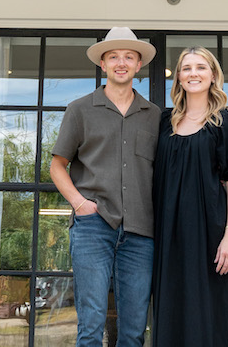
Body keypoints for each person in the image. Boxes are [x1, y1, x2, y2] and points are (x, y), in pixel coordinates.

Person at [50, 27, 160, 347]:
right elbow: (58, 165)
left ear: (139, 65)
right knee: (91, 323)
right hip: (92, 226)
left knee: (134, 329)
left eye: (128, 56)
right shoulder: (80, 109)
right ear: (103, 64)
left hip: (141, 230)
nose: (121, 62)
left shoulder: (154, 116)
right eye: (113, 57)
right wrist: (80, 204)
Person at [152, 46, 228, 346]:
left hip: (209, 234)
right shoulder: (164, 122)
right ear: (178, 77)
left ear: (213, 75)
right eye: (187, 68)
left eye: (201, 67)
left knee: (207, 313)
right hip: (167, 233)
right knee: (170, 311)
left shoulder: (227, 121)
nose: (193, 73)